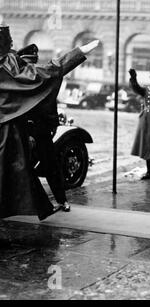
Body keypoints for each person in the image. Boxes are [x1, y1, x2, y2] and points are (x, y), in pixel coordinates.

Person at [0, 23, 98, 220]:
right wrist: (76, 54)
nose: (12, 45)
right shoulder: (7, 65)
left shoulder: (7, 62)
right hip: (7, 130)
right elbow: (41, 76)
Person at [17, 44, 71, 213]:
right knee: (22, 167)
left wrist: (52, 126)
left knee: (50, 166)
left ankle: (62, 201)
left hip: (41, 131)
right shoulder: (19, 80)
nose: (31, 66)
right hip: (24, 131)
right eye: (28, 63)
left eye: (33, 62)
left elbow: (50, 104)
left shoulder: (41, 80)